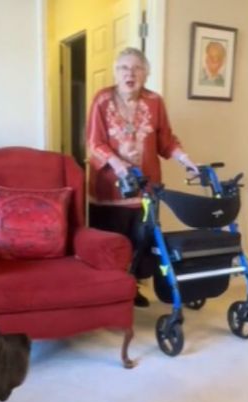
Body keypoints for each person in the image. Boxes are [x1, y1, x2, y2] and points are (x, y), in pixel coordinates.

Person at [86, 47, 198, 307]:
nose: (130, 73)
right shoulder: (102, 100)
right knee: (112, 242)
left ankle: (131, 288)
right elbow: (95, 142)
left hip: (146, 187)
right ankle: (108, 294)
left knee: (142, 241)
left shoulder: (155, 101)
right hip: (111, 190)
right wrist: (117, 164)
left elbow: (166, 140)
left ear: (146, 73)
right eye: (124, 68)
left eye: (137, 68)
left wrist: (185, 160)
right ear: (116, 72)